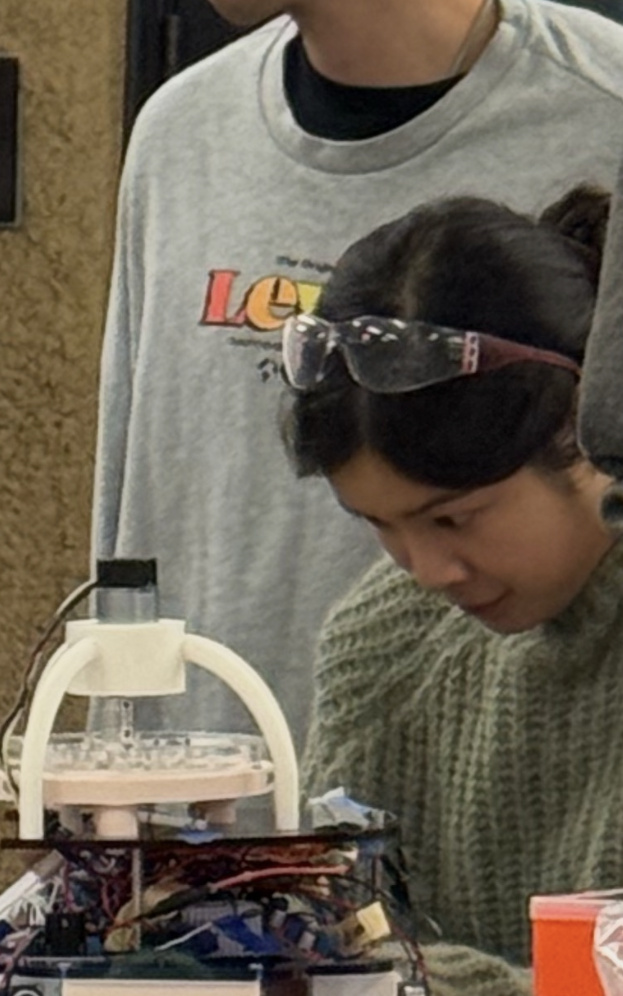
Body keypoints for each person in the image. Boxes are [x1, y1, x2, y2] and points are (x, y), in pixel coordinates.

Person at [95, 0, 623, 737]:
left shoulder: (603, 118)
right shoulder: (178, 137)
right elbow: (129, 511)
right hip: (215, 851)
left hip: (515, 843)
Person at [285, 188, 623, 996]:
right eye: (381, 526)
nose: (427, 571)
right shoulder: (385, 647)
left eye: (454, 518)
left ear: (580, 428)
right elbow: (330, 938)